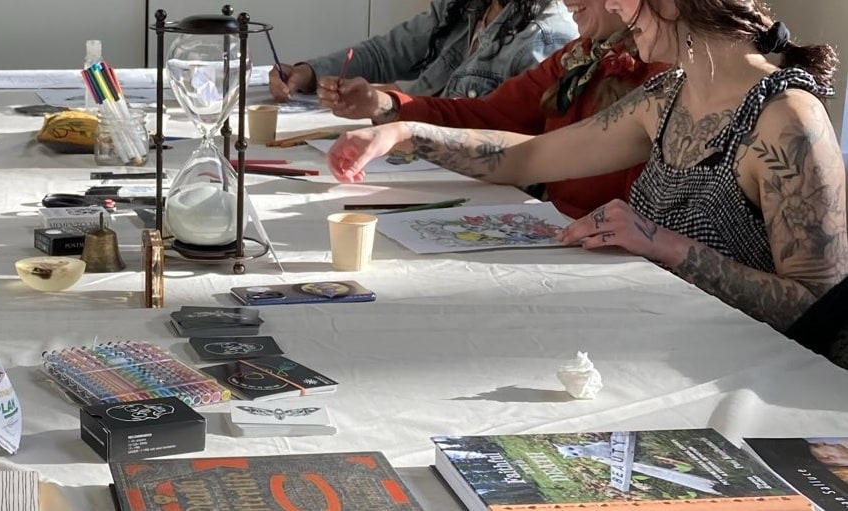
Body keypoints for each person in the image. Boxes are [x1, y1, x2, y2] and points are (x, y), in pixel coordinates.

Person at [324, 0, 848, 335]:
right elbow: (523, 156)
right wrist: (407, 132)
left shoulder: (789, 122)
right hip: (652, 340)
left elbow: (818, 307)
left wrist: (662, 242)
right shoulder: (666, 97)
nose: (616, 8)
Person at [315, 0, 668, 219]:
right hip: (562, 236)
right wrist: (392, 112)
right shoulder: (580, 54)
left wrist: (403, 128)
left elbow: (527, 156)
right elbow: (494, 120)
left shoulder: (666, 76)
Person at [268, 0, 578, 102]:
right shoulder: (466, 7)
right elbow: (385, 52)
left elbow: (509, 135)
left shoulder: (545, 36)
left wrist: (392, 102)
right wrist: (309, 73)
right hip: (424, 166)